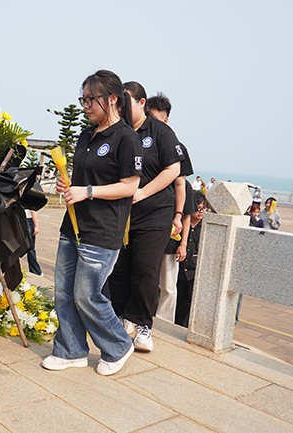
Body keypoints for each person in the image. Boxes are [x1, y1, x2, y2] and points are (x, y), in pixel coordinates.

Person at [41, 69, 141, 376]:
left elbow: (130, 186)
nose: (85, 106)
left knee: (87, 295)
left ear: (111, 98)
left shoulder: (126, 138)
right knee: (63, 291)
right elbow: (84, 179)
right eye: (82, 100)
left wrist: (88, 191)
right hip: (72, 226)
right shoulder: (87, 134)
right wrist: (69, 186)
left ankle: (119, 345)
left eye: (90, 100)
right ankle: (70, 350)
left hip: (102, 230)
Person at [106, 81, 181, 353]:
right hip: (123, 213)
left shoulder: (160, 132)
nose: (121, 107)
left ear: (141, 103)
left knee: (145, 268)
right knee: (119, 268)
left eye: (126, 101)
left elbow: (173, 171)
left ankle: (142, 324)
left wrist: (143, 192)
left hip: (154, 213)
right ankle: (122, 319)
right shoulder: (119, 132)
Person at [147, 92, 196, 323]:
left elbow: (181, 189)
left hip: (169, 229)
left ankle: (164, 322)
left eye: (155, 119)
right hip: (145, 220)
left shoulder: (177, 147)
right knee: (145, 276)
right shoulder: (139, 141)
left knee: (167, 283)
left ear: (165, 120)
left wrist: (182, 236)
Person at [175, 193, 208, 327]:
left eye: (204, 208)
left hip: (194, 271)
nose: (201, 211)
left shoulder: (206, 227)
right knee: (177, 299)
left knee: (190, 302)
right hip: (179, 267)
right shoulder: (182, 224)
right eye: (198, 208)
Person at [24, 208, 43, 276]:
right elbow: (33, 211)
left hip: (18, 219)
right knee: (31, 248)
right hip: (28, 220)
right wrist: (36, 226)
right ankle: (35, 270)